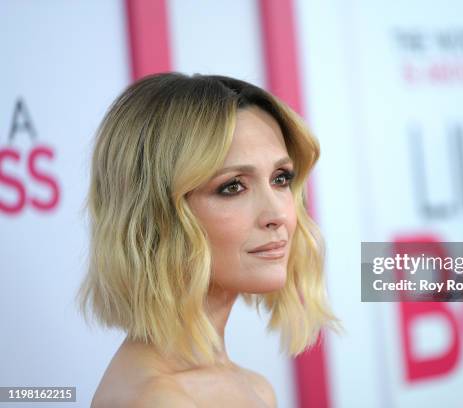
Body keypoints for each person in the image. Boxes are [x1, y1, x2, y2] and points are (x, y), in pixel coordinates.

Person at [77, 73, 341, 407]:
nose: (278, 214)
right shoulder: (158, 399)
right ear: (156, 214)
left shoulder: (255, 388)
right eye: (232, 186)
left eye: (280, 179)